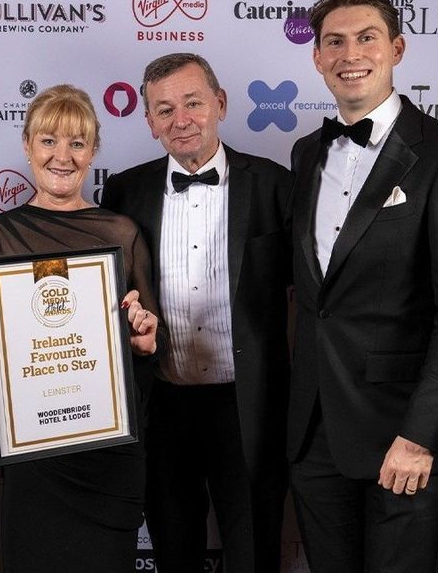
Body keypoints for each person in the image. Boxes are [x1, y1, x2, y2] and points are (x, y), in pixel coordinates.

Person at [286, 0, 438, 572]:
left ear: (397, 49)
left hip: (400, 434)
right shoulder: (305, 154)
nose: (350, 53)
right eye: (334, 41)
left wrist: (421, 434)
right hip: (313, 431)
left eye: (366, 38)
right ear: (317, 57)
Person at [100, 53, 294, 573]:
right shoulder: (124, 190)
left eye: (193, 103)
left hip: (247, 406)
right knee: (173, 548)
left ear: (221, 104)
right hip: (162, 405)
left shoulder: (275, 184)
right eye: (164, 110)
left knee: (254, 549)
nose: (180, 120)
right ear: (148, 121)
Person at [0, 84, 166, 572]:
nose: (63, 156)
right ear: (27, 146)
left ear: (93, 151)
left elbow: (148, 349)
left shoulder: (121, 232)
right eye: (49, 140)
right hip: (35, 455)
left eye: (77, 143)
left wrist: (142, 342)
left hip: (107, 455)